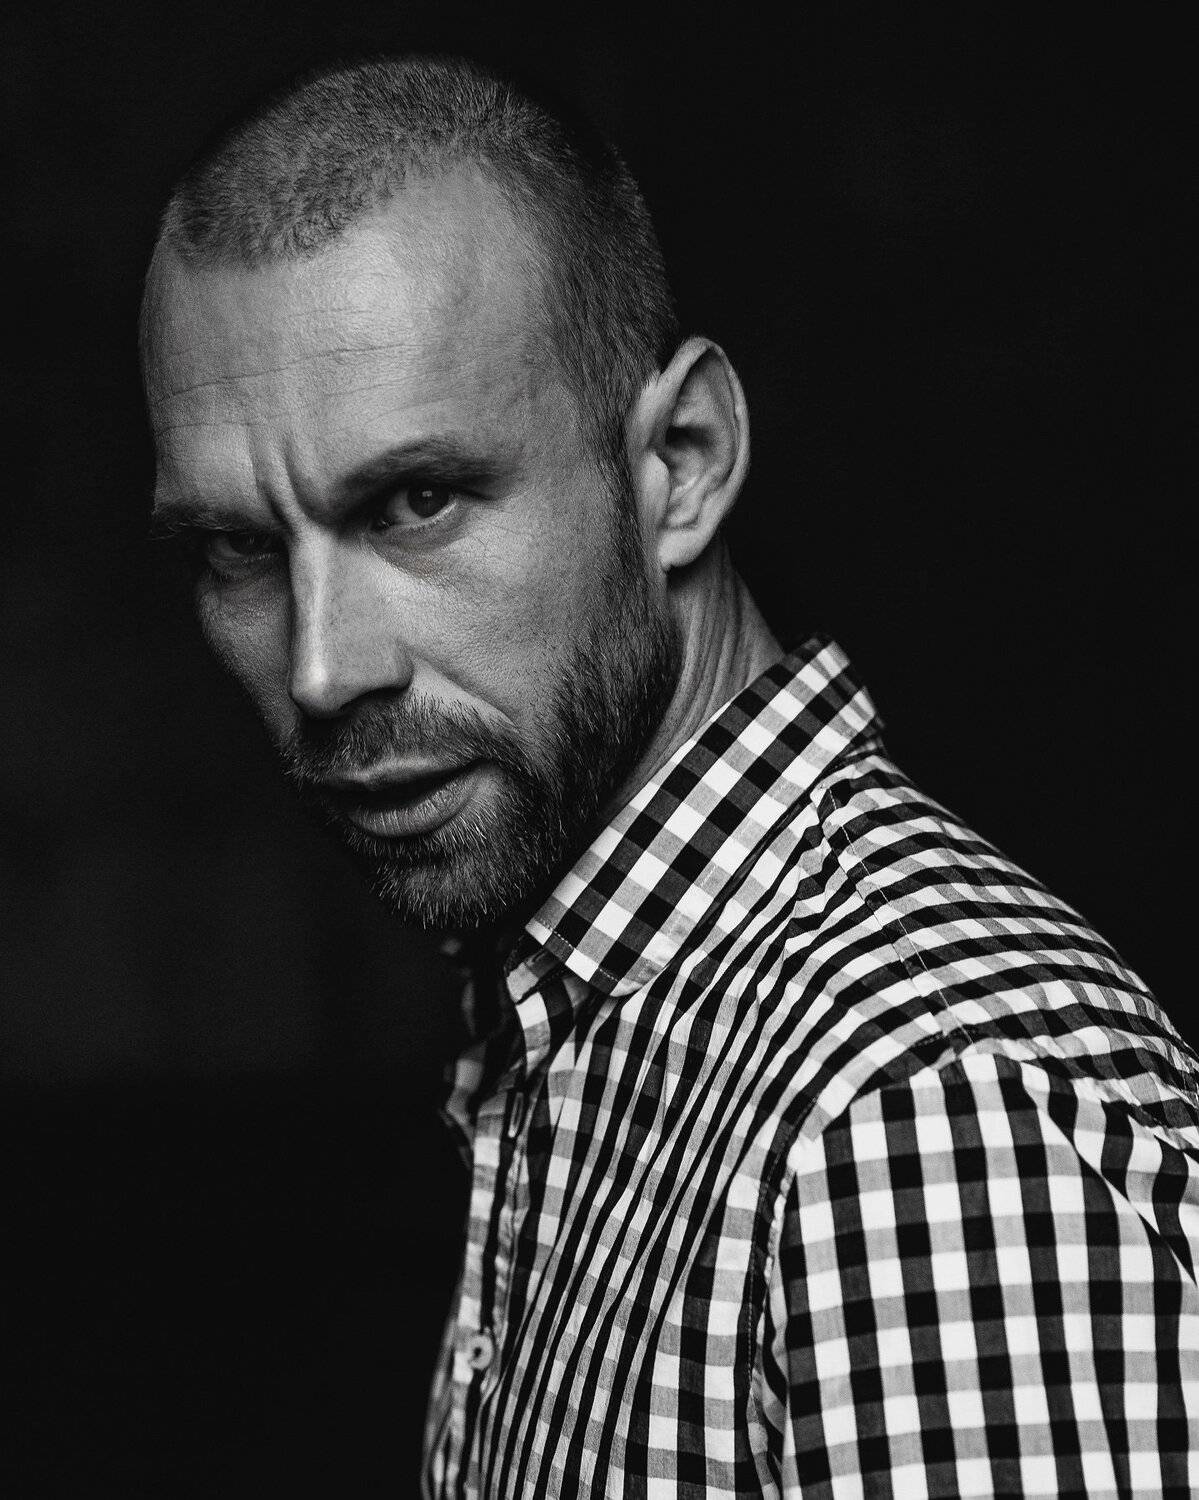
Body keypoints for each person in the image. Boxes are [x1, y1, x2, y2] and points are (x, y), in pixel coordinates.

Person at [141, 53, 1198, 1499]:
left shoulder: (923, 1123)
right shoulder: (595, 1021)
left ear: (682, 465)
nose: (324, 669)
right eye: (238, 549)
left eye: (418, 500)